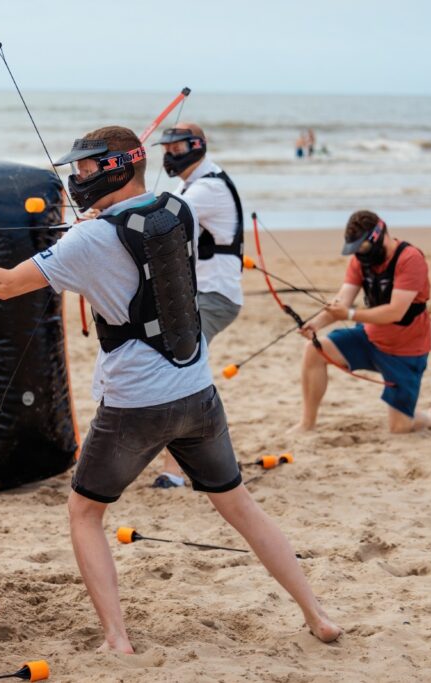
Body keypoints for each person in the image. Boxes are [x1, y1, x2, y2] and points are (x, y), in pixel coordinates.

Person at [0, 125, 340, 654]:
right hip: (196, 390)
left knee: (84, 513)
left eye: (84, 169)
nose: (77, 177)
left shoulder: (90, 239)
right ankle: (317, 614)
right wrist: (96, 227)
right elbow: (135, 239)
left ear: (115, 167)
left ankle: (117, 639)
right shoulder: (178, 209)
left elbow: (6, 285)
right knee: (239, 506)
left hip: (136, 403)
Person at [291, 210, 431, 433]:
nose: (359, 253)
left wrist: (349, 315)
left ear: (378, 236)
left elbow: (395, 312)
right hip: (370, 337)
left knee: (400, 428)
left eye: (362, 247)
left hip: (405, 351)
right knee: (313, 350)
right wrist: (316, 324)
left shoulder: (410, 259)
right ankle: (307, 423)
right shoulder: (360, 261)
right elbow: (342, 301)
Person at [153, 123, 245, 488]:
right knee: (178, 369)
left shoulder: (208, 188)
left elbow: (160, 219)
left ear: (196, 146)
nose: (169, 155)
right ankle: (204, 458)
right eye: (166, 149)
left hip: (215, 296)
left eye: (176, 148)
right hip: (196, 295)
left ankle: (176, 471)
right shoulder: (188, 185)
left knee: (179, 370)